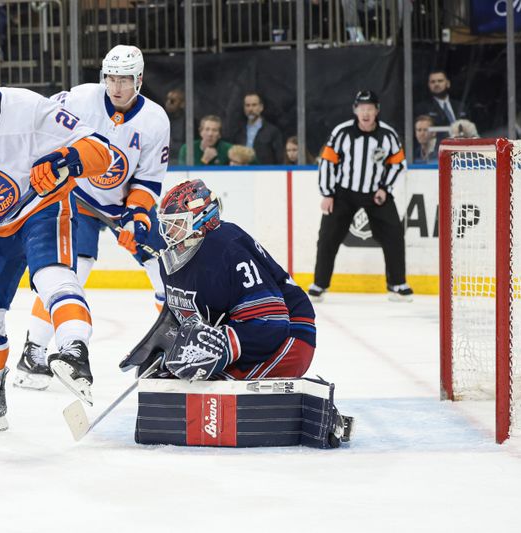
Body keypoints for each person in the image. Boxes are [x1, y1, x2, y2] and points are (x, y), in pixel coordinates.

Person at [0, 59, 112, 431]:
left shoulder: (30, 109)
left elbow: (101, 150)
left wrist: (64, 159)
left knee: (51, 276)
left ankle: (74, 351)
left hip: (42, 209)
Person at [15, 45, 169, 390]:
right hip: (77, 197)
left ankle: (168, 346)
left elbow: (147, 179)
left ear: (139, 79)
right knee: (71, 272)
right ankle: (33, 352)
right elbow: (42, 120)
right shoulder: (81, 99)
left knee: (165, 270)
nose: (116, 87)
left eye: (125, 80)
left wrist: (137, 217)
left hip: (123, 205)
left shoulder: (155, 120)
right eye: (111, 78)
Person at [121, 179, 316, 382]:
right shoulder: (173, 259)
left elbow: (270, 322)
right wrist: (162, 350)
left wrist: (224, 345)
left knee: (216, 387)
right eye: (167, 224)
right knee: (173, 380)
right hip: (246, 333)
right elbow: (183, 317)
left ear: (202, 218)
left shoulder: (227, 247)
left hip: (289, 335)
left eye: (177, 223)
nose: (168, 232)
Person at [308, 90, 412, 302]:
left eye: (370, 108)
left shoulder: (388, 135)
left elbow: (398, 164)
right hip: (343, 193)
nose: (366, 113)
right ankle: (319, 284)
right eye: (362, 108)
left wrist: (385, 188)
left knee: (393, 234)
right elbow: (327, 162)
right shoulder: (342, 132)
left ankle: (397, 284)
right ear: (355, 110)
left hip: (376, 194)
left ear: (377, 111)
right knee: (328, 237)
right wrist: (327, 194)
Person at [231, 92, 283, 164]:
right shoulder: (238, 131)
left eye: (254, 105)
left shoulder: (273, 132)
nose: (250, 109)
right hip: (241, 172)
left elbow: (280, 158)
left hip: (264, 173)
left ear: (261, 107)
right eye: (247, 105)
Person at [164, 88, 185, 165]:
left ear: (182, 104)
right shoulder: (161, 118)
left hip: (181, 161)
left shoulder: (189, 122)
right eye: (167, 100)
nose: (168, 103)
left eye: (172, 101)